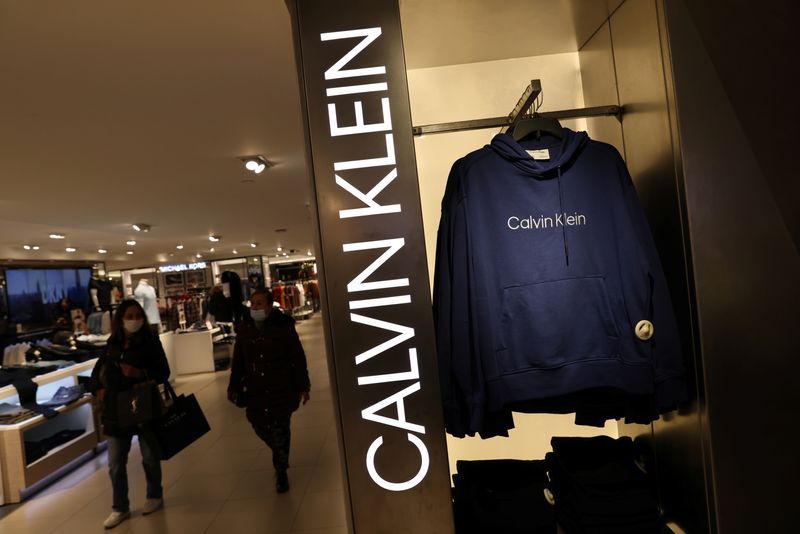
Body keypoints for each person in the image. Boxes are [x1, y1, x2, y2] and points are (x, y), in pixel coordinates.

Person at [89, 299, 170, 529]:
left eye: (138, 316)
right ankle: (119, 507)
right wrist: (97, 389)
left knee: (149, 457)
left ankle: (154, 495)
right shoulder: (112, 343)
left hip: (143, 405)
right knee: (115, 462)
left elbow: (163, 372)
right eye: (130, 316)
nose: (134, 320)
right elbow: (98, 370)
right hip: (116, 408)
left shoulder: (150, 342)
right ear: (121, 319)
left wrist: (139, 373)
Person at [227, 289, 310, 493]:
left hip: (281, 386)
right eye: (253, 303)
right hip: (256, 388)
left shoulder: (283, 327)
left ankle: (281, 471)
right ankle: (279, 451)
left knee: (281, 427)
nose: (255, 307)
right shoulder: (245, 330)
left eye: (260, 303)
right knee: (258, 423)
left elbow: (297, 358)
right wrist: (234, 385)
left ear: (270, 306)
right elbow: (238, 361)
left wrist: (303, 386)